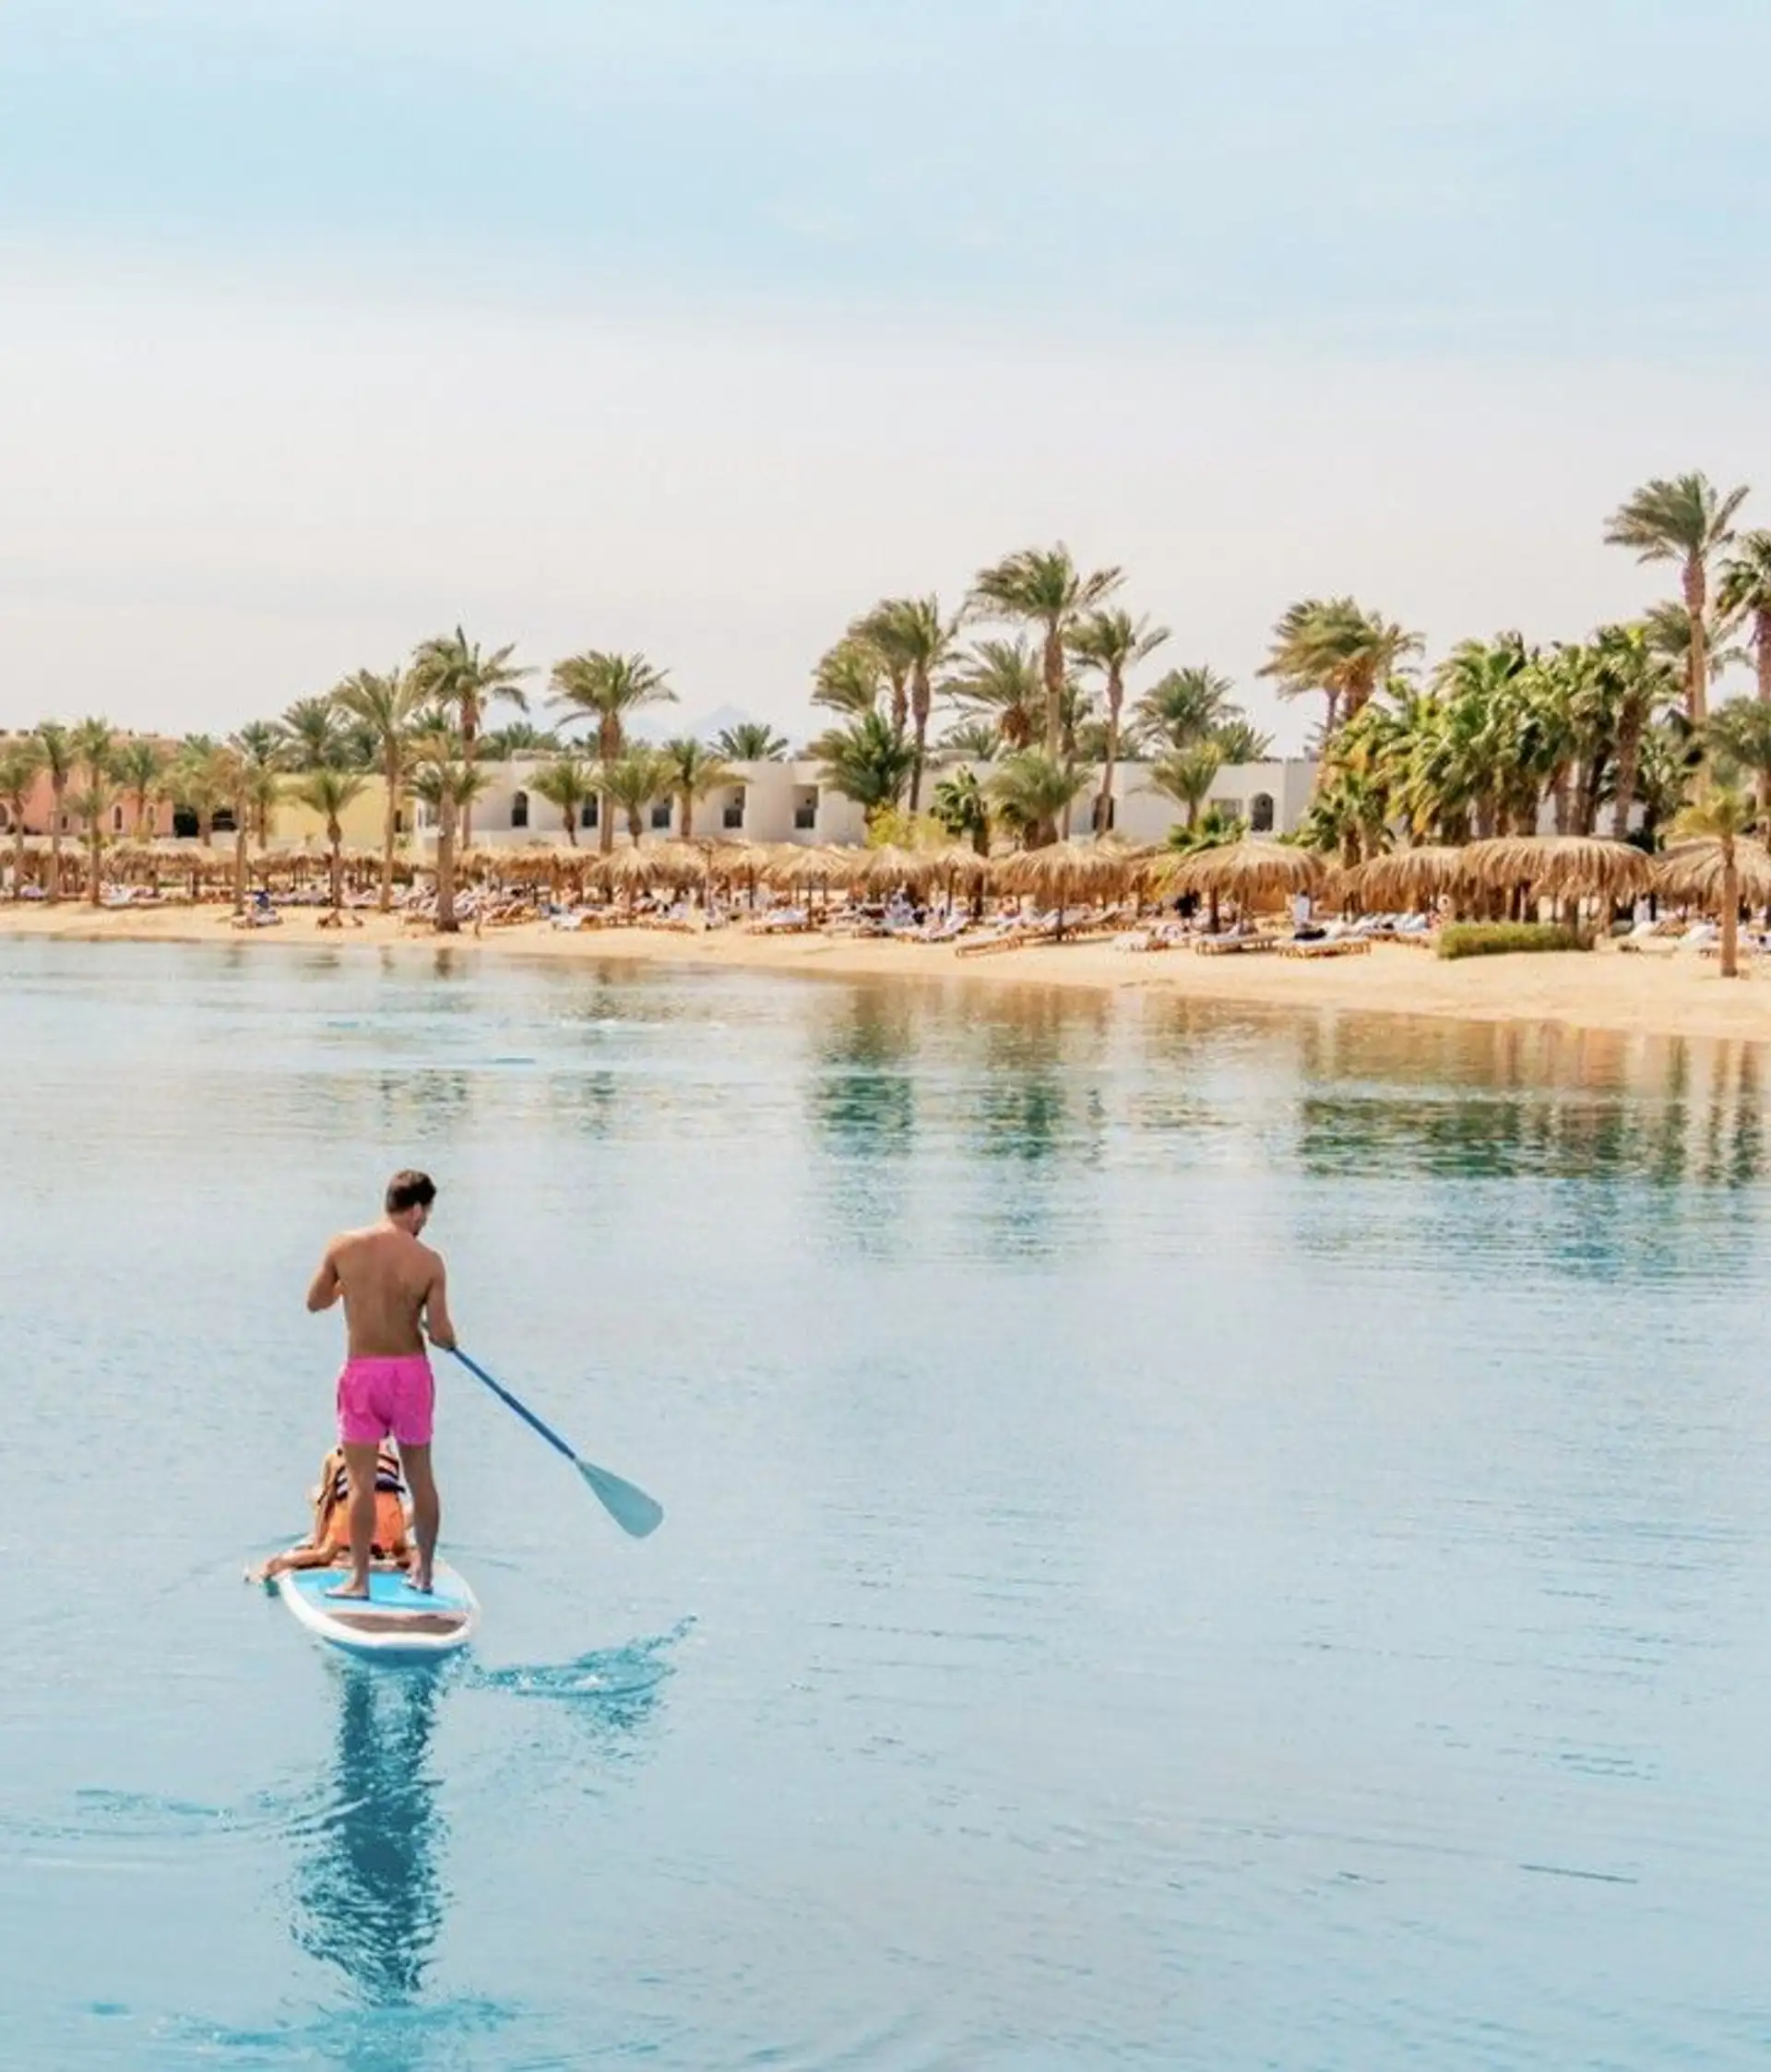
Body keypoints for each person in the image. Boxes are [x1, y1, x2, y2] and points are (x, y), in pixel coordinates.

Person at [305, 1169, 457, 1600]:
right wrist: (441, 1334)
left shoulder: (343, 1246)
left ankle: (359, 1581)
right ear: (416, 1210)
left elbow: (315, 1301)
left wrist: (347, 1285)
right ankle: (424, 1574)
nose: (425, 1221)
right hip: (410, 1375)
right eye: (426, 1214)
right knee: (421, 1479)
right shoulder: (429, 1262)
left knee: (361, 1482)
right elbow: (443, 1335)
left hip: (363, 1375)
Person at [249, 1442, 413, 1584]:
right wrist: (400, 1541)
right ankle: (404, 1557)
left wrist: (318, 1544)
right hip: (387, 1515)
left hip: (351, 1515)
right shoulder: (390, 1454)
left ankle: (275, 1565)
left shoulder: (335, 1454)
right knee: (403, 1551)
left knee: (323, 1554)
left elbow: (327, 1503)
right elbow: (393, 1496)